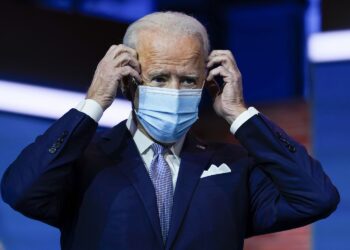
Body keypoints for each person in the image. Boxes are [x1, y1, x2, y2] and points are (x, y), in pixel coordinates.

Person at [1, 12, 339, 250]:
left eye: (188, 80)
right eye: (160, 78)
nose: (175, 91)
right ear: (129, 80)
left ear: (207, 82)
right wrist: (93, 103)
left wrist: (239, 114)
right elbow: (21, 190)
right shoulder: (84, 160)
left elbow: (317, 197)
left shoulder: (234, 166)